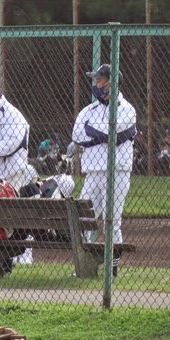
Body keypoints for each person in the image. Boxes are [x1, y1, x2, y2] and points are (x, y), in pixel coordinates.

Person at [70, 64, 137, 252]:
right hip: (93, 172)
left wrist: (93, 131)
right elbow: (77, 135)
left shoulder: (127, 109)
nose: (96, 83)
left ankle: (112, 269)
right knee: (82, 219)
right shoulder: (89, 110)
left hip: (117, 171)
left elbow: (112, 132)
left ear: (111, 83)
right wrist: (104, 135)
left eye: (100, 80)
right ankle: (84, 265)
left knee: (112, 221)